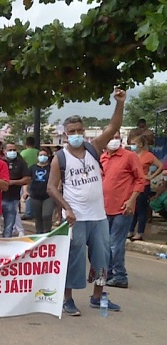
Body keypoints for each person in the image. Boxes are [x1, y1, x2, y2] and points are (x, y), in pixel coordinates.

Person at [46, 88, 127, 316]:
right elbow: (51, 187)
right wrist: (67, 209)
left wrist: (119, 103)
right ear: (65, 134)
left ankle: (97, 296)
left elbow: (113, 127)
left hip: (98, 216)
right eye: (72, 131)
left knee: (103, 258)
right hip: (75, 219)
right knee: (74, 258)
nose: (77, 134)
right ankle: (67, 298)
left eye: (80, 130)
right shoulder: (59, 158)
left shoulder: (93, 148)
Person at [101, 132, 145, 289]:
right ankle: (110, 274)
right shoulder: (103, 158)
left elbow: (141, 180)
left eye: (116, 137)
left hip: (123, 208)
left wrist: (131, 200)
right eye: (110, 137)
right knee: (105, 244)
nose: (113, 140)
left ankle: (120, 276)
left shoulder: (129, 156)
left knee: (115, 244)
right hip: (104, 208)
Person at [128, 134, 162, 241]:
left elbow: (160, 165)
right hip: (132, 186)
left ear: (141, 145)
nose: (132, 146)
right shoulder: (131, 155)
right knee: (132, 208)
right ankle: (130, 230)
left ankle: (140, 232)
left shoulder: (148, 155)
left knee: (141, 210)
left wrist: (151, 176)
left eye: (134, 144)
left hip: (143, 185)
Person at [1, 142, 31, 237]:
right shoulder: (0, 163)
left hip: (13, 198)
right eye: (10, 150)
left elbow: (27, 179)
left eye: (14, 150)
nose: (12, 152)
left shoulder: (21, 163)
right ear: (4, 151)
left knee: (9, 225)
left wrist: (13, 182)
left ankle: (7, 243)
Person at [27, 150, 55, 234]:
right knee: (38, 217)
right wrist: (25, 191)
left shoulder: (51, 168)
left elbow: (58, 179)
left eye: (45, 155)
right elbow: (28, 180)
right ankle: (39, 234)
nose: (43, 157)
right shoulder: (32, 168)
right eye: (41, 155)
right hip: (35, 195)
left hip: (48, 195)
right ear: (37, 157)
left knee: (46, 215)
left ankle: (47, 232)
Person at [20, 136, 39, 220]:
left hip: (26, 175)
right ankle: (35, 212)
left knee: (26, 193)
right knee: (34, 193)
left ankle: (28, 212)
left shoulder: (23, 153)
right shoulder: (37, 152)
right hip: (37, 174)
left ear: (26, 143)